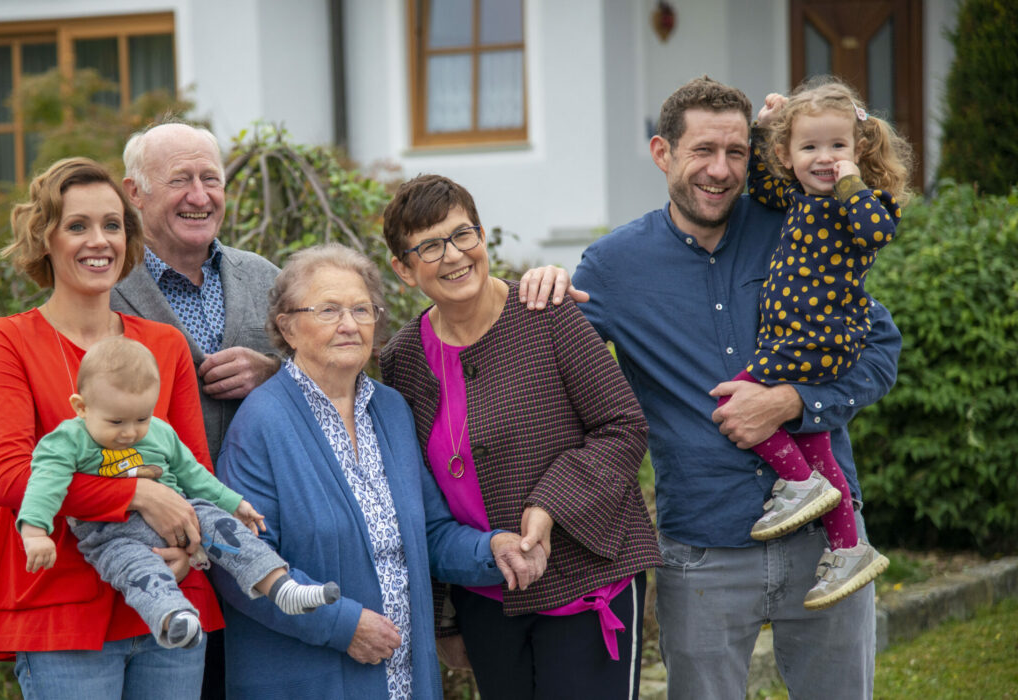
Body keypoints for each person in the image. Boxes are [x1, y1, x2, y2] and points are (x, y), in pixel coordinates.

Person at [525, 77, 902, 698]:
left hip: (827, 538)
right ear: (662, 153)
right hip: (702, 549)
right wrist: (533, 286)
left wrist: (793, 404)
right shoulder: (614, 267)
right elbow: (552, 370)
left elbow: (879, 345)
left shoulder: (799, 225)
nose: (720, 170)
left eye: (736, 152)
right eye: (703, 150)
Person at [212, 243, 548, 699]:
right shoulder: (262, 421)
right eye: (328, 310)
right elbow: (238, 560)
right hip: (309, 679)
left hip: (402, 676)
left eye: (362, 309)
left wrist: (493, 549)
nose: (349, 325)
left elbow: (428, 532)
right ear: (287, 327)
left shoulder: (389, 409)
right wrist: (342, 625)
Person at [378, 174, 660, 700]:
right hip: (486, 600)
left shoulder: (546, 315)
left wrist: (549, 505)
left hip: (586, 578)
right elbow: (420, 499)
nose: (455, 255)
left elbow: (623, 426)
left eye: (465, 234)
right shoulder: (402, 360)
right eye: (431, 246)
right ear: (403, 268)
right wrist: (445, 618)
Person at [0, 157, 226, 697]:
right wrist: (138, 496)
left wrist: (189, 546)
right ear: (45, 240)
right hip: (61, 607)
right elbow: (11, 479)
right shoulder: (9, 340)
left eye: (112, 224)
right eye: (76, 225)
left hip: (168, 595)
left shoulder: (164, 344)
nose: (97, 241)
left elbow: (194, 470)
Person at [18, 336, 340, 649]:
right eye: (116, 421)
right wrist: (35, 532)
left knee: (221, 524)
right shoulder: (68, 439)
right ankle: (175, 618)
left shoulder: (159, 431)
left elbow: (194, 474)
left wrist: (234, 503)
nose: (130, 432)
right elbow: (45, 484)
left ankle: (280, 586)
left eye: (141, 418)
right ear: (81, 407)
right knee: (138, 572)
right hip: (112, 534)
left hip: (181, 514)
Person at [725, 76, 912, 609]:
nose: (824, 158)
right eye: (810, 147)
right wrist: (765, 133)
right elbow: (761, 185)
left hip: (816, 337)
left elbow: (877, 231)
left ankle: (799, 484)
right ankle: (849, 545)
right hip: (798, 336)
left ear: (858, 149)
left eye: (838, 146)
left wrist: (852, 181)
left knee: (736, 399)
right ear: (789, 155)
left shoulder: (862, 204)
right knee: (814, 436)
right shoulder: (795, 199)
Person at [110, 121, 281, 695]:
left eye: (211, 179)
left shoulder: (267, 278)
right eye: (180, 180)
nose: (200, 196)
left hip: (266, 544)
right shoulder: (105, 289)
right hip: (164, 555)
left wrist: (274, 374)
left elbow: (330, 389)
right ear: (134, 193)